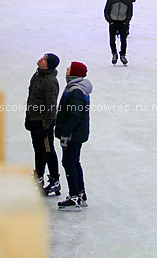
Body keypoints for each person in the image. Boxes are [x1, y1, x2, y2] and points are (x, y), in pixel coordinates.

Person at [55, 61, 92, 211]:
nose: (66, 70)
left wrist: (65, 133)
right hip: (77, 133)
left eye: (69, 68)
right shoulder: (76, 88)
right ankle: (81, 194)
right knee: (74, 161)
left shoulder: (75, 90)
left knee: (69, 162)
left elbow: (74, 115)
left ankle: (74, 196)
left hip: (72, 134)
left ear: (74, 73)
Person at [25, 53, 61, 196]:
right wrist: (28, 117)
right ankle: (38, 177)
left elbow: (51, 106)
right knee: (38, 150)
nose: (41, 59)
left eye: (45, 59)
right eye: (43, 57)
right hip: (34, 119)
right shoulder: (37, 75)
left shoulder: (51, 81)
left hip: (43, 123)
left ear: (49, 65)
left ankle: (54, 180)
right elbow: (31, 98)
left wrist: (46, 126)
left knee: (47, 150)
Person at [104, 0, 133, 65]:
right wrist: (110, 21)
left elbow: (130, 13)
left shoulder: (127, 0)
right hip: (113, 22)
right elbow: (106, 11)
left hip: (122, 23)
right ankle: (114, 54)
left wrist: (126, 22)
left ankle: (123, 55)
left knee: (123, 41)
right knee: (112, 40)